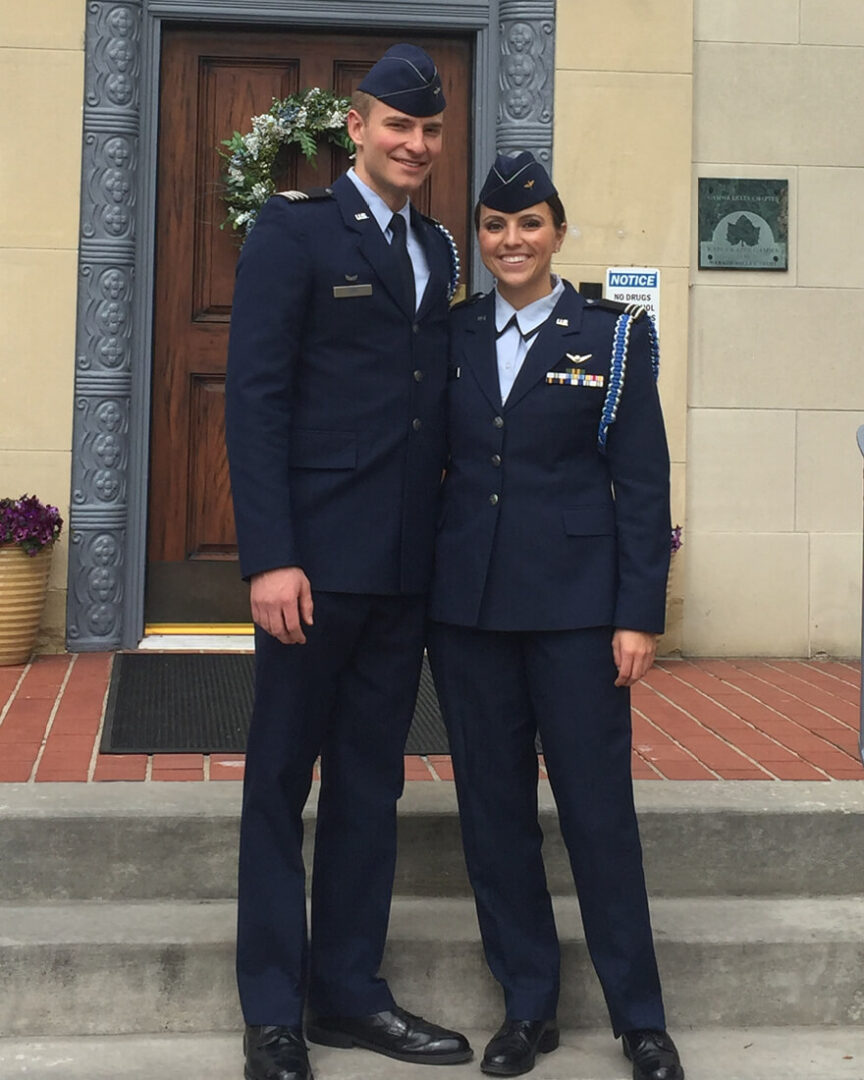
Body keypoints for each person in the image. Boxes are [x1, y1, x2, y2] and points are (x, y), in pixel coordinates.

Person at [225, 44, 471, 1080]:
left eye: (429, 131)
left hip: (404, 568)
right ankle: (275, 1012)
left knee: (372, 787)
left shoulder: (442, 250)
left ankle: (350, 997)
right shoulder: (293, 232)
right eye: (397, 126)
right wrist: (273, 556)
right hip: (313, 568)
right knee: (281, 783)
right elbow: (257, 399)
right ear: (358, 126)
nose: (414, 145)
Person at [426, 151, 684, 1080]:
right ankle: (526, 1006)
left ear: (558, 232)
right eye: (495, 226)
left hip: (578, 612)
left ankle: (640, 1018)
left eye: (529, 224)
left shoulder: (613, 337)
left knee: (597, 815)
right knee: (493, 815)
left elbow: (642, 482)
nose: (512, 241)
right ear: (481, 240)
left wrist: (637, 614)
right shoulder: (448, 334)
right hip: (470, 612)